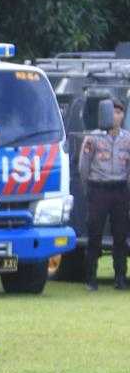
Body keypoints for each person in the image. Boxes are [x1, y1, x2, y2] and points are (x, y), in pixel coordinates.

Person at [77, 98, 130, 290]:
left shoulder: (127, 138)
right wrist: (88, 188)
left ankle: (120, 277)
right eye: (113, 112)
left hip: (120, 190)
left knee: (120, 236)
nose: (116, 116)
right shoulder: (93, 138)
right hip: (99, 189)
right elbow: (84, 166)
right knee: (94, 235)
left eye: (119, 112)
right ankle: (91, 279)